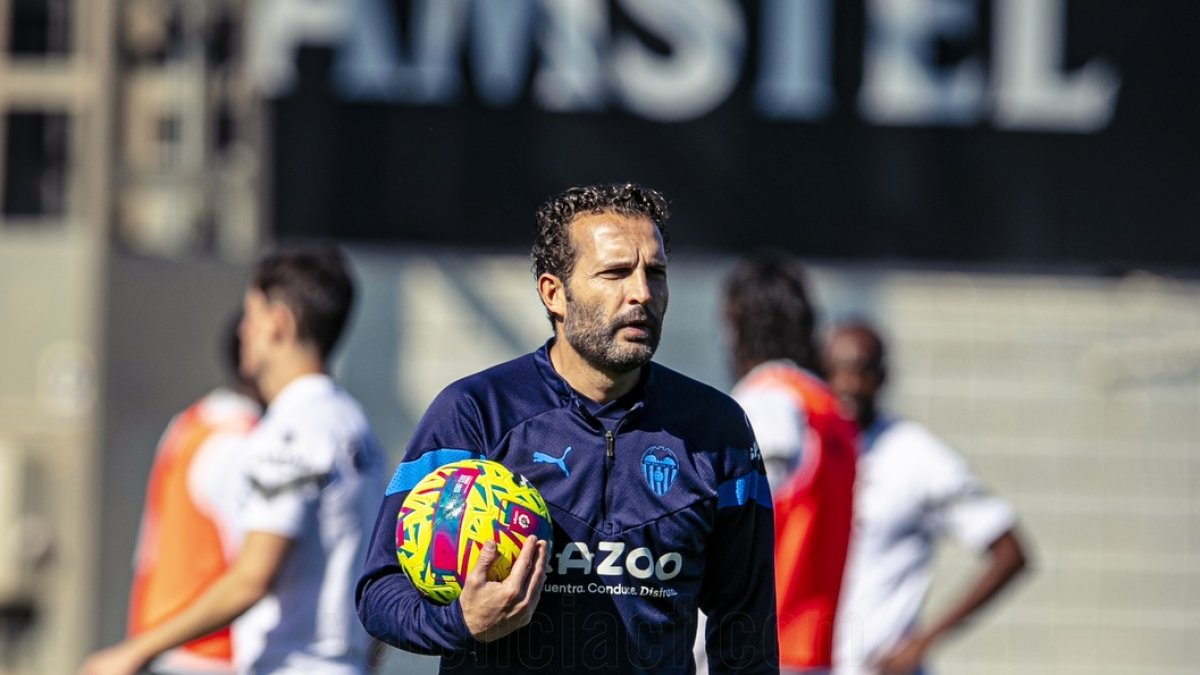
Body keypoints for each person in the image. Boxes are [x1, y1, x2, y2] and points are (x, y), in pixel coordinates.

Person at [356, 183, 779, 674]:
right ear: (554, 293)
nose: (642, 293)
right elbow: (380, 591)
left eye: (656, 273)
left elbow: (746, 634)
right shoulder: (475, 414)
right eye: (616, 273)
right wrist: (460, 620)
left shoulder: (716, 429)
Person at [81, 243, 387, 675]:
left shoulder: (290, 433)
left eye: (251, 315)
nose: (243, 331)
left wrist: (135, 651)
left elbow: (252, 577)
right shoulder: (358, 428)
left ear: (278, 323)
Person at [823, 322, 1029, 675]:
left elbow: (1010, 552)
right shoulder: (810, 451)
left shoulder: (916, 455)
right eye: (839, 372)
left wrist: (923, 642)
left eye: (863, 371)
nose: (850, 385)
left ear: (883, 377)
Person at [696, 253, 857, 675]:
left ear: (735, 325)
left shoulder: (767, 404)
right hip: (811, 652)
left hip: (762, 653)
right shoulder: (828, 409)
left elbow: (732, 536)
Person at [126, 312, 262, 675]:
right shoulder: (242, 442)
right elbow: (255, 568)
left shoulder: (191, 423)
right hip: (211, 654)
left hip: (165, 640)